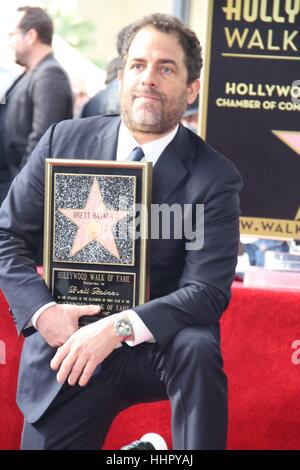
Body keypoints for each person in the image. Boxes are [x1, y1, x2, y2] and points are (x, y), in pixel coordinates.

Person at [0, 14, 242, 450]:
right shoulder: (62, 142)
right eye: (137, 64)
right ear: (122, 74)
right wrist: (43, 313)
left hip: (159, 347)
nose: (148, 79)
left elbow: (207, 291)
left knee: (198, 346)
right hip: (70, 341)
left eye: (166, 68)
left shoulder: (216, 177)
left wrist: (116, 329)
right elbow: (6, 236)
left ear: (191, 90)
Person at [0, 6, 73, 203]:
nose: (9, 43)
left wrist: (20, 190)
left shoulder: (50, 75)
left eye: (12, 35)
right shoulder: (33, 73)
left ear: (31, 36)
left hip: (23, 191)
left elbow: (41, 140)